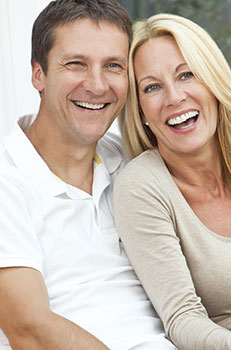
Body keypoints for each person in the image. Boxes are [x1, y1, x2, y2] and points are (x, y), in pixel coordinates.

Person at [0, 2, 177, 349]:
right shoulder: (8, 181)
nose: (97, 86)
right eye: (76, 64)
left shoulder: (131, 160)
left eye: (113, 66)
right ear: (39, 73)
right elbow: (29, 330)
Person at [113, 13, 231, 350]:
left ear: (213, 81)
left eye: (186, 75)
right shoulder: (143, 186)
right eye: (152, 87)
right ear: (140, 110)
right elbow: (182, 318)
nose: (174, 97)